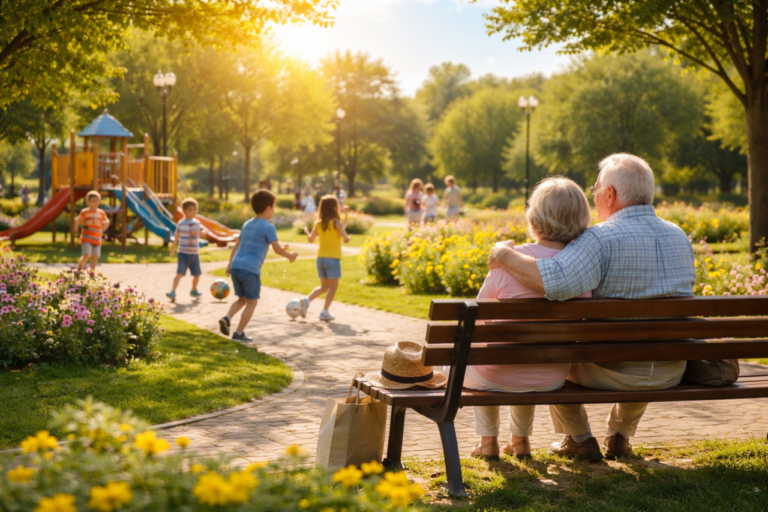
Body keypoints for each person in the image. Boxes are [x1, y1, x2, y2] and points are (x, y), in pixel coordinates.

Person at [488, 153, 696, 461]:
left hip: (611, 371)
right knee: (646, 341)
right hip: (671, 369)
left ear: (609, 194)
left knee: (554, 353)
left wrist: (503, 254)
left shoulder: (600, 238)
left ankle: (580, 437)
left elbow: (554, 282)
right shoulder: (678, 235)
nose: (594, 196)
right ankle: (620, 436)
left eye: (596, 189)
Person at [463, 177, 592, 460]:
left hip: (496, 374)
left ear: (533, 219)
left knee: (481, 357)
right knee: (525, 357)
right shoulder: (580, 269)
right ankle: (520, 441)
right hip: (552, 376)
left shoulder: (508, 260)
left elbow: (480, 317)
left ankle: (488, 443)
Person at [220, 189, 298, 341]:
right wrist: (290, 255)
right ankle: (239, 333)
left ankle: (227, 317)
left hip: (236, 266)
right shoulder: (269, 227)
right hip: (250, 269)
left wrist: (229, 264)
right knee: (252, 302)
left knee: (242, 299)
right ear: (268, 208)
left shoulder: (246, 224)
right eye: (273, 207)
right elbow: (276, 249)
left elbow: (237, 246)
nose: (274, 210)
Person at [298, 195, 350, 322]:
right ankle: (325, 312)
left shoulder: (318, 223)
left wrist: (307, 232)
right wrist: (347, 236)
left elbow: (311, 239)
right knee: (333, 288)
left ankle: (306, 300)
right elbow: (345, 238)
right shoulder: (336, 223)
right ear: (334, 208)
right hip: (333, 259)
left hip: (320, 258)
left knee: (324, 287)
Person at [166, 198, 206, 302]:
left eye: (195, 209)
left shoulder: (197, 223)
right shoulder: (181, 223)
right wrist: (172, 249)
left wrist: (199, 233)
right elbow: (176, 237)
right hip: (183, 253)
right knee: (180, 273)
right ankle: (173, 291)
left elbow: (204, 233)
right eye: (191, 209)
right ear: (185, 211)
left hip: (194, 254)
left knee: (197, 274)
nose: (194, 211)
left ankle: (194, 290)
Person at [76, 191, 109, 270]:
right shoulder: (85, 212)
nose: (96, 202)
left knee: (95, 256)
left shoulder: (101, 213)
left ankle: (92, 272)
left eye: (98, 200)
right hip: (86, 237)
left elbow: (106, 221)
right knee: (87, 254)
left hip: (97, 238)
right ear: (88, 201)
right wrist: (75, 228)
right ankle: (79, 269)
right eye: (94, 201)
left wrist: (105, 225)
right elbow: (77, 220)